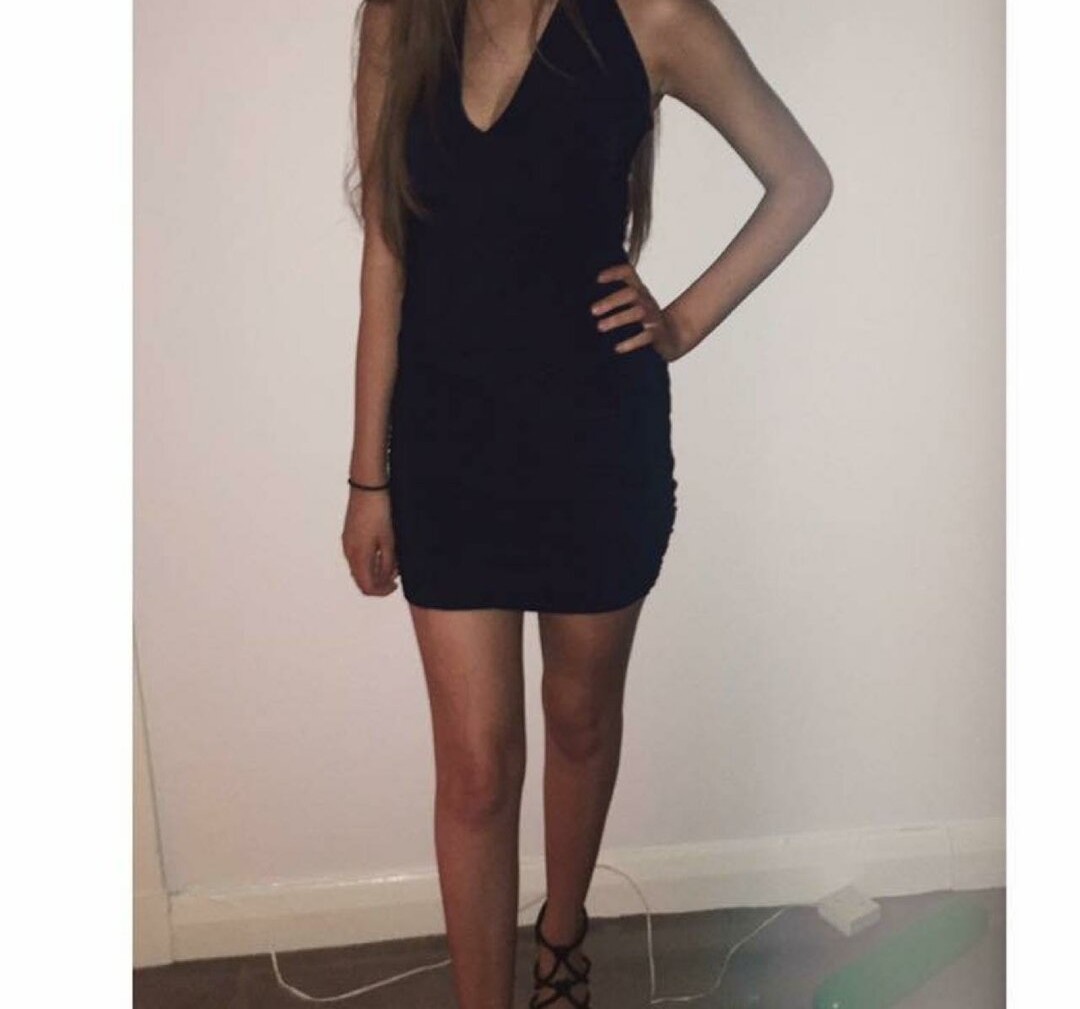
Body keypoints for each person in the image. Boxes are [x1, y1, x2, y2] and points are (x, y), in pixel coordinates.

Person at [341, 0, 832, 1005]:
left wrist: (682, 321)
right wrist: (366, 477)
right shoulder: (403, 18)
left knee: (578, 721)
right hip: (445, 448)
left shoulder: (654, 18)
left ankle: (562, 940)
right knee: (476, 770)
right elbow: (386, 254)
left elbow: (800, 181)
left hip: (593, 448)